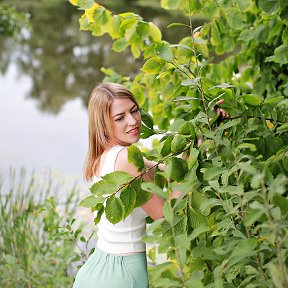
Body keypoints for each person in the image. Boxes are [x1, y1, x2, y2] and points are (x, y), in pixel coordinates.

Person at [73, 82, 170, 288]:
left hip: (95, 269)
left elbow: (167, 168)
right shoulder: (125, 158)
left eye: (134, 110)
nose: (133, 121)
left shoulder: (106, 155)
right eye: (120, 118)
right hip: (122, 275)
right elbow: (165, 214)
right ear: (104, 124)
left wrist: (203, 134)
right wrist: (184, 181)